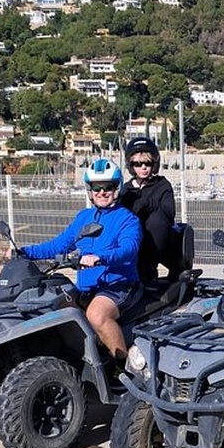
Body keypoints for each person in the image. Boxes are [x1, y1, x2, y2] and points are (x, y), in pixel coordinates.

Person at [17, 159, 142, 363]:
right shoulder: (84, 217)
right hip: (86, 287)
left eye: (108, 187)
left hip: (119, 285)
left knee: (96, 315)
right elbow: (59, 244)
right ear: (90, 190)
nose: (102, 192)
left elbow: (129, 249)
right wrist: (24, 252)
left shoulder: (127, 220)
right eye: (96, 187)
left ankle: (124, 367)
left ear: (116, 188)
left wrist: (101, 258)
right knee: (52, 306)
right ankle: (76, 360)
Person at [119, 137, 176, 286]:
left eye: (147, 163)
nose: (143, 167)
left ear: (154, 164)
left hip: (158, 239)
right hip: (133, 237)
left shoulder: (162, 185)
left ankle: (149, 269)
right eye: (137, 164)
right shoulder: (126, 189)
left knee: (156, 220)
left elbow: (169, 212)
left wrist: (147, 203)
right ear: (131, 166)